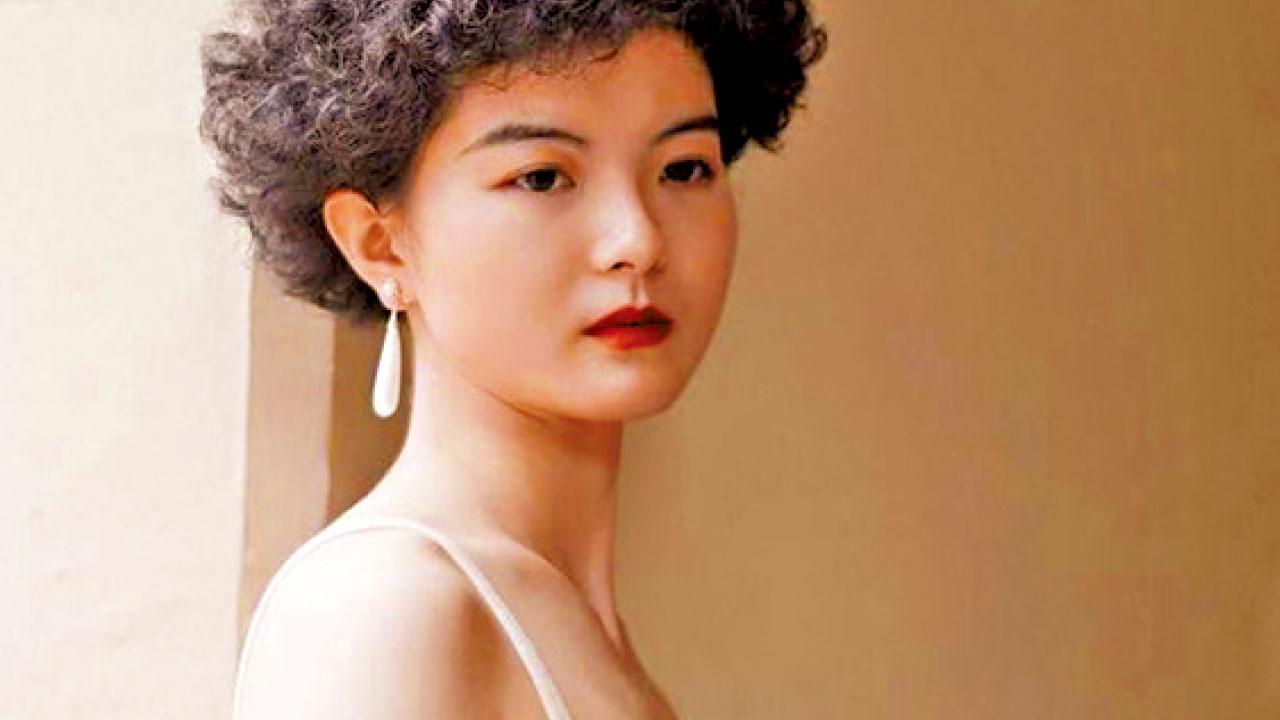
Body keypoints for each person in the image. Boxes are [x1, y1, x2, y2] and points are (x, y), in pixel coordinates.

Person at [199, 0, 826, 717]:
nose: (638, 240)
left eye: (683, 169)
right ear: (379, 244)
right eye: (542, 178)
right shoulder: (387, 609)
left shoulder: (575, 624)